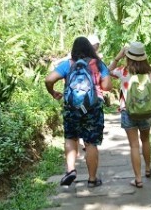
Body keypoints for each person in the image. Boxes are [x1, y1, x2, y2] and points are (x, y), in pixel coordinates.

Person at [45, 36, 112, 188]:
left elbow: (49, 79)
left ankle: (70, 170)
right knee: (91, 143)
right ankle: (92, 179)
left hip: (71, 108)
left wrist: (52, 92)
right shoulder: (98, 64)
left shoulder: (67, 64)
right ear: (90, 48)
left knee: (71, 137)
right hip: (92, 108)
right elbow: (107, 86)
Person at [108, 41, 151, 188]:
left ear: (128, 57)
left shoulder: (123, 71)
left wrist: (117, 57)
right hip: (146, 113)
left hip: (128, 112)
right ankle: (148, 169)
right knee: (145, 140)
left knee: (133, 146)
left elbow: (106, 72)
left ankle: (138, 179)